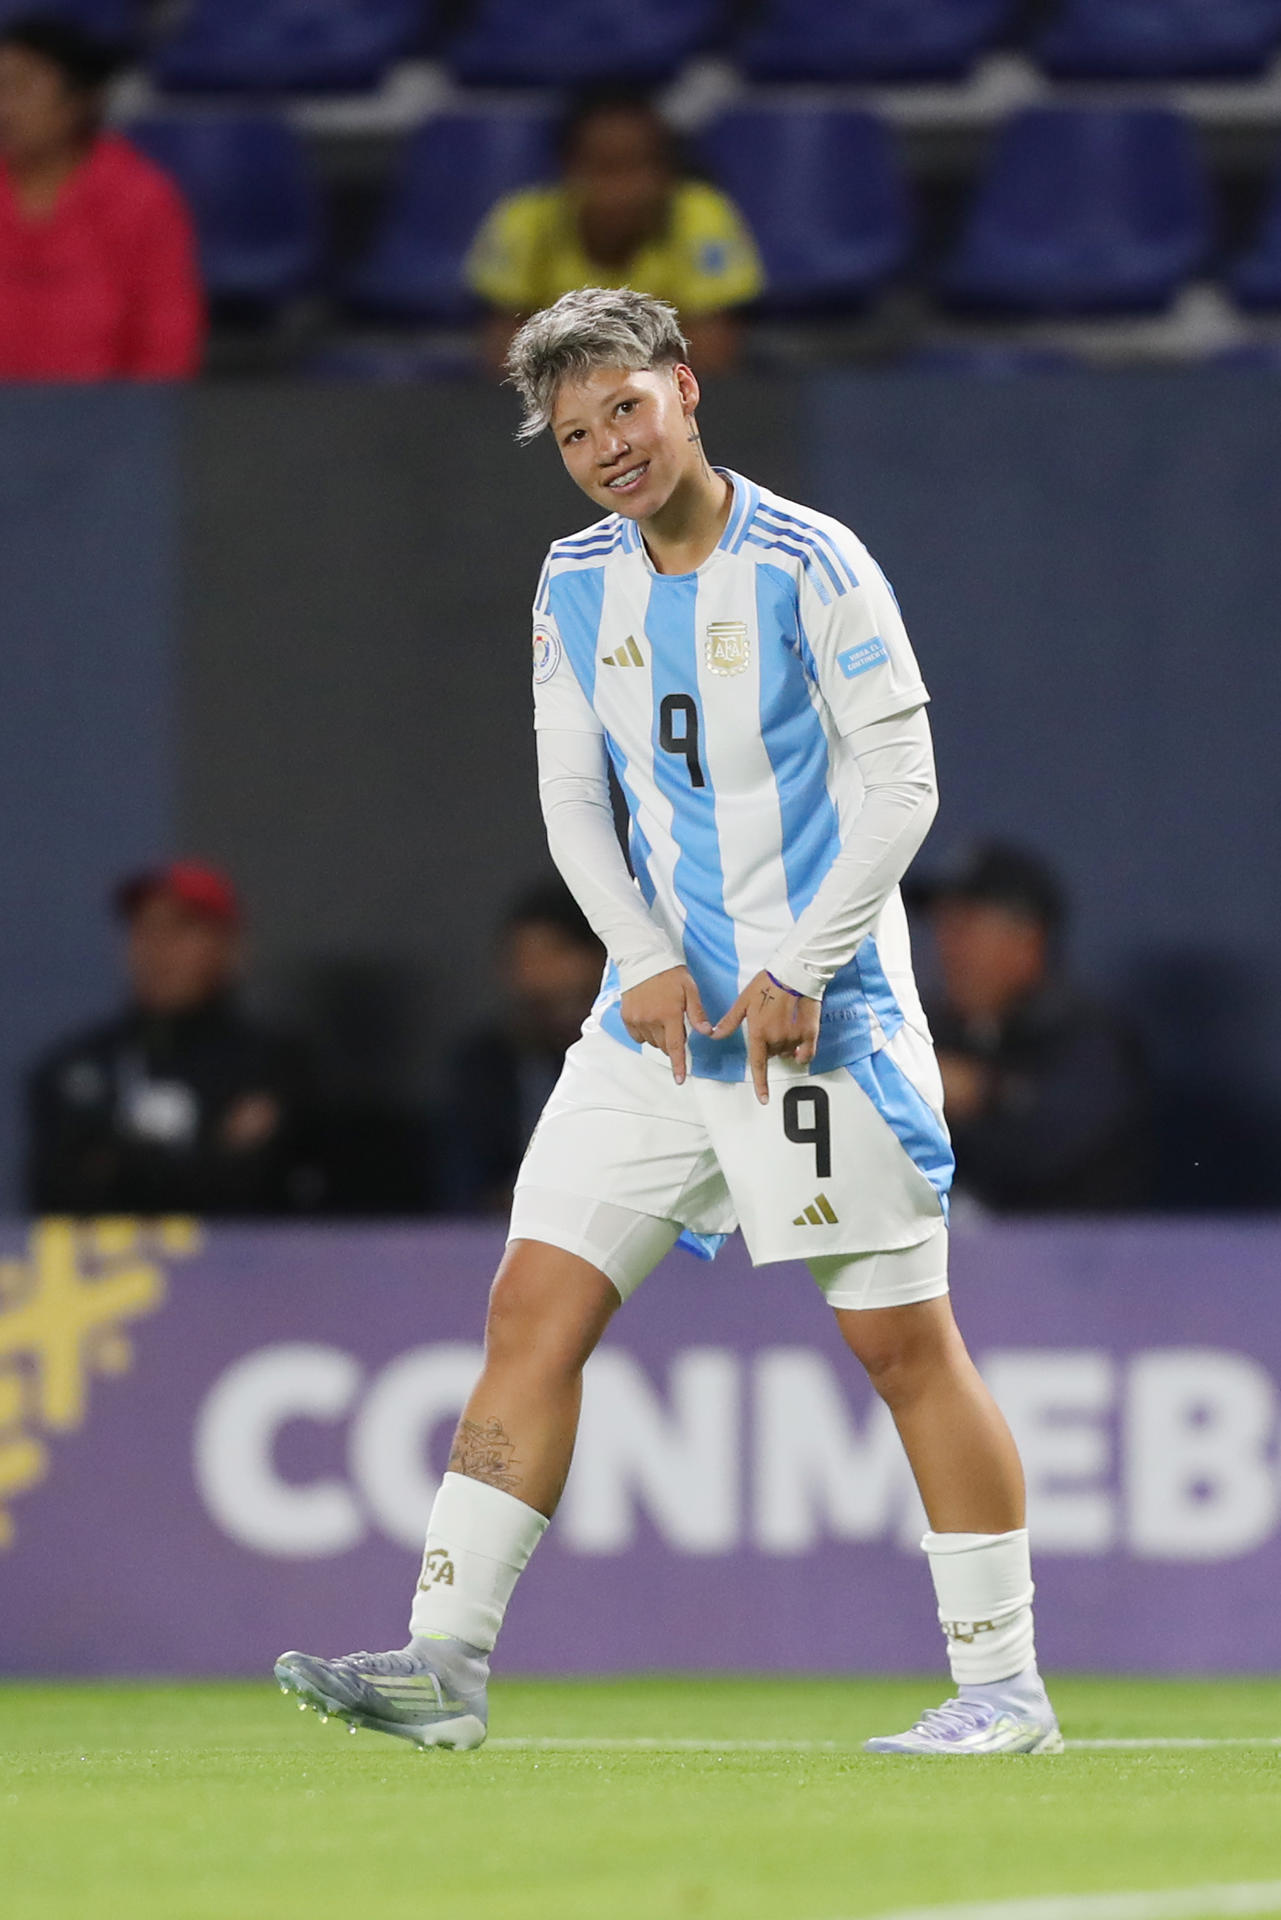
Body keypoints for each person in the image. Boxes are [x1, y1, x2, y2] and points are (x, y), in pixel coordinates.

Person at [275, 288, 1061, 1758]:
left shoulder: (813, 563)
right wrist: (637, 954)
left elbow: (904, 791)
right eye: (574, 432)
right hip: (655, 1024)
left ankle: (1003, 1690)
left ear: (685, 392)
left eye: (623, 409)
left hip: (815, 1023)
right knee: (529, 1309)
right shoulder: (572, 580)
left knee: (903, 1348)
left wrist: (804, 968)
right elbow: (574, 800)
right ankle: (441, 1662)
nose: (604, 448)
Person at [25, 861, 317, 1215]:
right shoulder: (75, 1066)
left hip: (241, 1269)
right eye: (143, 929)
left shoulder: (275, 1065)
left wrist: (122, 1161)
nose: (157, 949)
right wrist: (214, 1153)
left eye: (182, 929)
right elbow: (58, 1195)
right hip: (115, 1270)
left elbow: (260, 1191)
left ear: (231, 948)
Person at [912, 842, 1153, 1212]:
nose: (947, 946)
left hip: (1074, 1262)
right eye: (942, 925)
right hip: (943, 1260)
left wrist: (980, 1091)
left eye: (965, 926)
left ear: (1028, 940)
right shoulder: (921, 1031)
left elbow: (1050, 1149)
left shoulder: (1088, 1038)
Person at [466, 87, 762, 379]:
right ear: (568, 171)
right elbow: (505, 358)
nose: (621, 190)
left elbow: (712, 357)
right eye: (602, 168)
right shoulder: (524, 221)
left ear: (666, 172)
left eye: (638, 166)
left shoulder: (700, 215)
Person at [0, 15, 204, 381]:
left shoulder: (140, 197)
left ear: (79, 100)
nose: (4, 110)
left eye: (21, 89)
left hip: (108, 422)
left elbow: (167, 338)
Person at [440, 880, 606, 1215]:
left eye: (554, 955)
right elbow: (459, 1191)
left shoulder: (654, 1054)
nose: (537, 978)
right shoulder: (483, 1066)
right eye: (523, 960)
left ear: (601, 956)